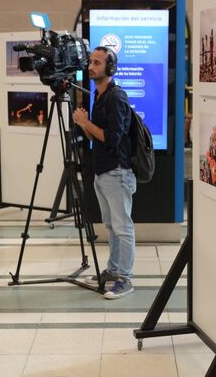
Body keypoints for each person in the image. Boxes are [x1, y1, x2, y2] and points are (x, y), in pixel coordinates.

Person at [72, 46, 136, 300]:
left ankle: (126, 279)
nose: (91, 66)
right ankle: (113, 269)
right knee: (111, 226)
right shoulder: (98, 96)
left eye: (97, 63)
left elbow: (112, 139)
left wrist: (85, 123)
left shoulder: (116, 97)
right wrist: (83, 124)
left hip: (117, 172)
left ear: (109, 68)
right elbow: (95, 138)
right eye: (90, 61)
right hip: (103, 172)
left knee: (123, 227)